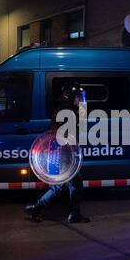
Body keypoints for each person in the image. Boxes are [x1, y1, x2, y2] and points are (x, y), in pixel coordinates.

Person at [25, 84, 91, 224]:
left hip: (58, 152)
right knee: (74, 185)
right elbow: (79, 129)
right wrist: (83, 109)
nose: (80, 100)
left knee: (59, 186)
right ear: (72, 97)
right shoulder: (68, 112)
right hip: (65, 154)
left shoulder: (62, 109)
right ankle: (73, 215)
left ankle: (36, 208)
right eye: (79, 97)